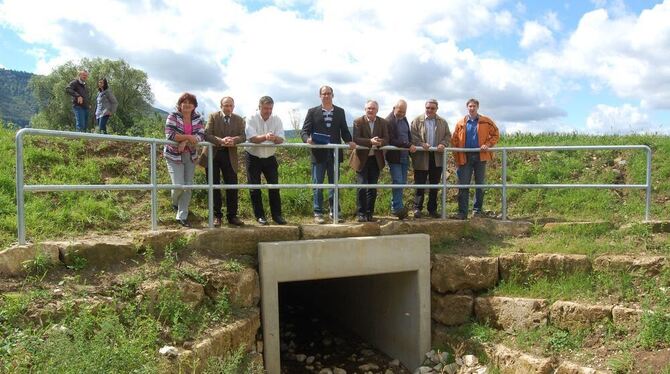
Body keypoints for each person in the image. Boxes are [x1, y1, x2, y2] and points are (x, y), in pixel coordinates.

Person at [300, 85, 356, 224]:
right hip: (318, 154)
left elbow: (344, 131)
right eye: (324, 93)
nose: (326, 96)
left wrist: (350, 141)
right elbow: (304, 131)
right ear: (320, 96)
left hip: (334, 154)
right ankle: (318, 212)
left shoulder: (340, 112)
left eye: (329, 93)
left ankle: (334, 211)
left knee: (334, 184)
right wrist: (307, 139)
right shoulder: (312, 112)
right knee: (317, 184)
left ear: (333, 95)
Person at [451, 98, 500, 219]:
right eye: (470, 106)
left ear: (478, 107)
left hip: (480, 156)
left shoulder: (486, 121)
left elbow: (496, 134)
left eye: (474, 106)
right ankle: (462, 213)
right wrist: (457, 156)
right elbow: (454, 140)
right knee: (463, 185)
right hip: (465, 156)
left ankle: (477, 211)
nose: (472, 108)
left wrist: (487, 144)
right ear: (467, 108)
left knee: (480, 184)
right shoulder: (460, 123)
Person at [163, 92, 205, 227]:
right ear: (180, 104)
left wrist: (184, 142)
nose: (187, 105)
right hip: (173, 155)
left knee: (187, 186)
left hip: (190, 155)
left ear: (194, 106)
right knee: (178, 185)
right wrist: (188, 137)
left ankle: (182, 215)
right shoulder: (173, 116)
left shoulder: (198, 118)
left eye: (190, 102)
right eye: (184, 102)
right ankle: (175, 202)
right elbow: (170, 135)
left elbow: (200, 135)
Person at [245, 96, 287, 225]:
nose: (268, 111)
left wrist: (274, 138)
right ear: (259, 107)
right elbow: (252, 138)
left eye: (270, 108)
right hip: (253, 156)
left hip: (270, 157)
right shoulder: (251, 118)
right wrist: (266, 137)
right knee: (254, 188)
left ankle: (277, 216)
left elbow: (281, 139)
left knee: (274, 187)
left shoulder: (277, 119)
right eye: (265, 108)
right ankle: (259, 216)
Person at [205, 96, 246, 227]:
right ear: (221, 106)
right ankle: (216, 216)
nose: (228, 108)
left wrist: (234, 140)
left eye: (230, 106)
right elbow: (207, 134)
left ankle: (232, 216)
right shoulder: (213, 116)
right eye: (226, 105)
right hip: (213, 154)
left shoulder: (239, 119)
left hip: (230, 155)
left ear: (233, 107)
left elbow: (243, 136)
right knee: (213, 186)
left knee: (232, 186)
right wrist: (221, 141)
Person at [349, 100, 389, 222]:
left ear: (377, 110)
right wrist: (370, 142)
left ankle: (369, 213)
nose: (370, 110)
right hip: (361, 159)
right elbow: (356, 139)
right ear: (365, 109)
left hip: (375, 159)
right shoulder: (358, 121)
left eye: (373, 108)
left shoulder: (383, 122)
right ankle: (361, 213)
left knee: (372, 187)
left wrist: (380, 142)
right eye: (368, 108)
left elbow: (387, 138)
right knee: (362, 186)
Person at [410, 99, 451, 218]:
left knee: (435, 184)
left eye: (432, 108)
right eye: (428, 108)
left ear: (437, 109)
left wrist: (443, 144)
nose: (430, 110)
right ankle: (417, 208)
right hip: (421, 156)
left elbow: (448, 136)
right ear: (425, 108)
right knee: (420, 183)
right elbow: (412, 136)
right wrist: (421, 144)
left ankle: (432, 209)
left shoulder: (443, 122)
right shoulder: (417, 120)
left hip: (437, 157)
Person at [385, 99, 416, 219]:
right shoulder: (388, 121)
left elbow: (407, 135)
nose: (402, 114)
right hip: (394, 157)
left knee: (402, 182)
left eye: (404, 112)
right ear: (394, 108)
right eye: (400, 111)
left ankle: (397, 206)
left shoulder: (404, 119)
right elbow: (391, 140)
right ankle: (397, 208)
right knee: (397, 181)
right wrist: (408, 145)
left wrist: (410, 145)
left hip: (404, 156)